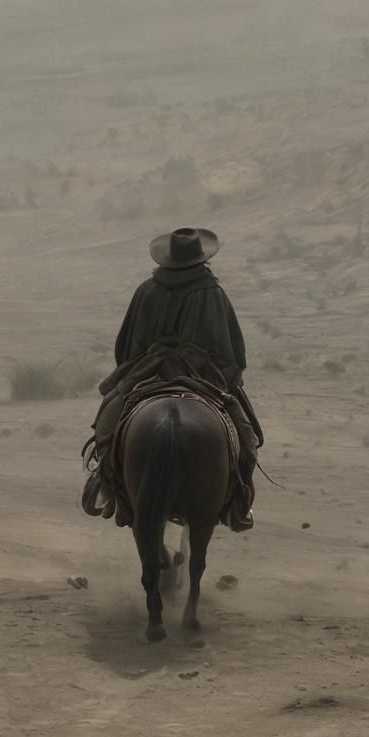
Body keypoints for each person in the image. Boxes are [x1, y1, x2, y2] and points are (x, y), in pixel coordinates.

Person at [82, 227, 263, 531]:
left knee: (108, 420)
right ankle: (239, 501)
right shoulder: (212, 293)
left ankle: (108, 485)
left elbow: (126, 345)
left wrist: (140, 364)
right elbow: (230, 349)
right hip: (202, 374)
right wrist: (224, 373)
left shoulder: (146, 290)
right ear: (200, 259)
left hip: (148, 369)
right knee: (247, 435)